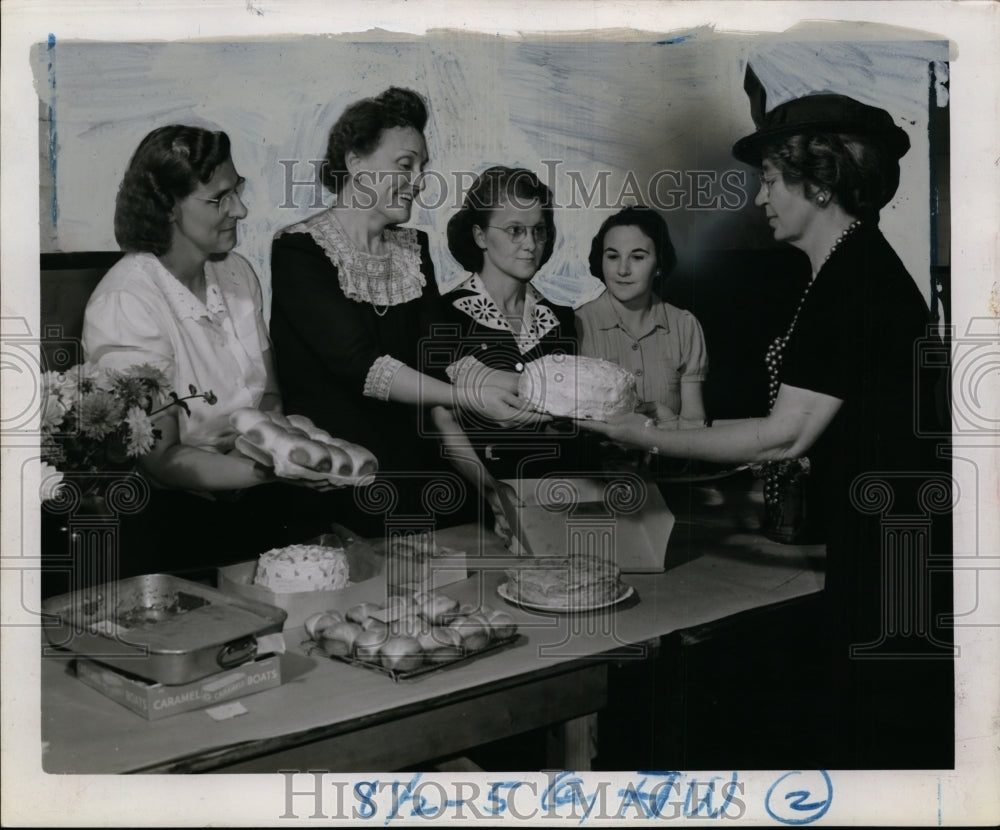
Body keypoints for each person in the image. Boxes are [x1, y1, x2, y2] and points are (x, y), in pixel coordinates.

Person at [579, 90, 953, 768]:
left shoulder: (854, 280)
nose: (759, 198)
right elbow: (799, 425)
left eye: (772, 180)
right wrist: (680, 428)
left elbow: (783, 437)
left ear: (818, 183)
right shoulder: (844, 267)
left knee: (881, 741)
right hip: (881, 542)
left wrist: (640, 434)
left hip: (896, 560)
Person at [269, 90, 534, 536]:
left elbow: (441, 357)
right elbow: (362, 366)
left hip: (422, 480)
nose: (417, 180)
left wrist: (512, 385)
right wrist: (472, 395)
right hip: (339, 486)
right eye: (405, 164)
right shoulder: (299, 250)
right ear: (355, 163)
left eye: (422, 168)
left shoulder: (413, 249)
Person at [82, 124, 321, 576]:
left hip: (256, 497)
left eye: (238, 191)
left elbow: (268, 395)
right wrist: (279, 468)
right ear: (169, 207)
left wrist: (279, 453)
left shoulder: (237, 275)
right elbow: (161, 460)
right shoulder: (127, 302)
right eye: (219, 198)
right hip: (173, 523)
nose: (241, 209)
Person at [430, 166, 580, 533]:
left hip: (552, 504)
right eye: (514, 230)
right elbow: (442, 421)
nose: (530, 244)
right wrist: (493, 493)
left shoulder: (561, 318)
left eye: (538, 230)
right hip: (471, 507)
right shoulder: (440, 314)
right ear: (480, 235)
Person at [576, 205, 708, 425]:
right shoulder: (575, 325)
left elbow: (695, 422)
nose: (622, 270)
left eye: (637, 257)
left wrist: (667, 424)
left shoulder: (685, 326)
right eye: (612, 256)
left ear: (659, 264)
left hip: (669, 457)